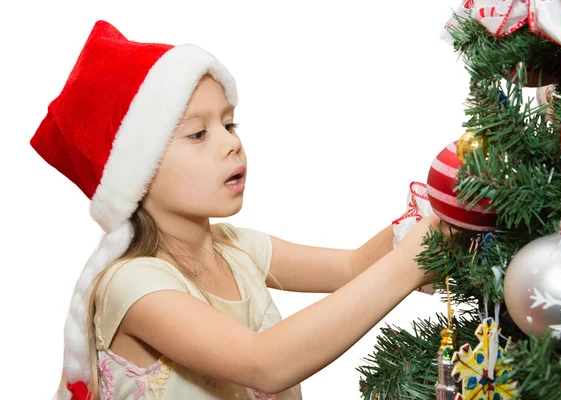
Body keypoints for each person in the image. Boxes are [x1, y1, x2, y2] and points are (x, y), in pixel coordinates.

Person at [31, 20, 451, 400]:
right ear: (137, 173)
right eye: (198, 133)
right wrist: (407, 266)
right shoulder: (133, 284)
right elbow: (265, 363)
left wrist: (438, 213)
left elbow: (354, 267)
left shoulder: (236, 249)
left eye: (229, 124)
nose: (231, 142)